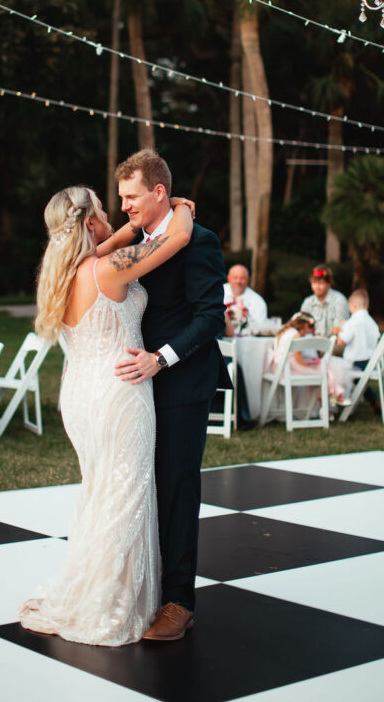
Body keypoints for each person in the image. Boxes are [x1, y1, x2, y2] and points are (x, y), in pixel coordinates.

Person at [19, 185, 194, 646]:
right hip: (120, 393)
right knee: (125, 496)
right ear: (91, 222)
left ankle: (97, 590)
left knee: (101, 493)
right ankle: (112, 604)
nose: (111, 213)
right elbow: (174, 241)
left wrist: (123, 232)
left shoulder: (64, 272)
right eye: (102, 208)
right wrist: (178, 208)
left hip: (79, 395)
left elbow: (110, 242)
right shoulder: (107, 271)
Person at [113, 149, 229, 643]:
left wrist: (160, 358)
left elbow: (210, 318)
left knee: (178, 488)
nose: (125, 207)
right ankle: (147, 588)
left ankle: (179, 601)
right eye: (120, 198)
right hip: (138, 387)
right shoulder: (138, 242)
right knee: (144, 485)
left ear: (159, 192)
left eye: (132, 197)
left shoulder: (198, 241)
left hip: (182, 381)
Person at [266, 311, 350, 405]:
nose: (310, 332)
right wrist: (307, 364)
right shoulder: (296, 335)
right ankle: (335, 396)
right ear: (306, 325)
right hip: (289, 369)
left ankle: (333, 397)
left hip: (279, 368)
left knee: (323, 369)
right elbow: (298, 358)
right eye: (310, 328)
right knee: (324, 372)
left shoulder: (285, 331)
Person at [335, 289, 381, 415]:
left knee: (332, 366)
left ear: (353, 306)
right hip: (370, 362)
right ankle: (374, 401)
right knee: (358, 380)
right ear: (367, 306)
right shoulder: (372, 322)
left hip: (355, 362)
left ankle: (337, 400)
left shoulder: (352, 322)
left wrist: (341, 328)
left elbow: (340, 342)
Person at [300, 264, 349, 337]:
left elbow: (338, 331)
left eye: (321, 283)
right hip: (312, 344)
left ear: (329, 283)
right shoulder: (308, 302)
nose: (317, 287)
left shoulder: (339, 300)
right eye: (314, 283)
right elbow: (301, 326)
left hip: (334, 345)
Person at [223, 263, 267, 335]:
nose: (238, 281)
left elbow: (259, 327)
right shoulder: (219, 292)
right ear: (228, 278)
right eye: (235, 277)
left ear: (248, 280)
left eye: (242, 278)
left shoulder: (258, 301)